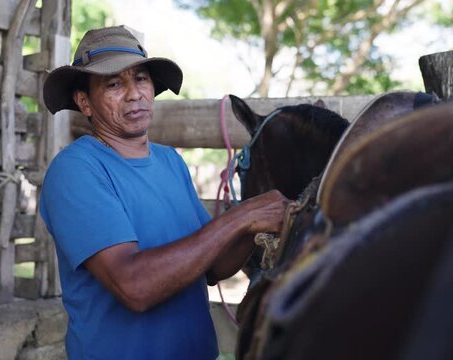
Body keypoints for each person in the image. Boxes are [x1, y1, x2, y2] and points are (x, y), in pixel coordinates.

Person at [39, 25, 288, 360]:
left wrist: (252, 223)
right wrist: (239, 218)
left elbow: (214, 267)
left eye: (140, 78)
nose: (133, 93)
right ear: (84, 101)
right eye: (114, 83)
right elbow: (134, 287)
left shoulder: (170, 161)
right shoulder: (76, 171)